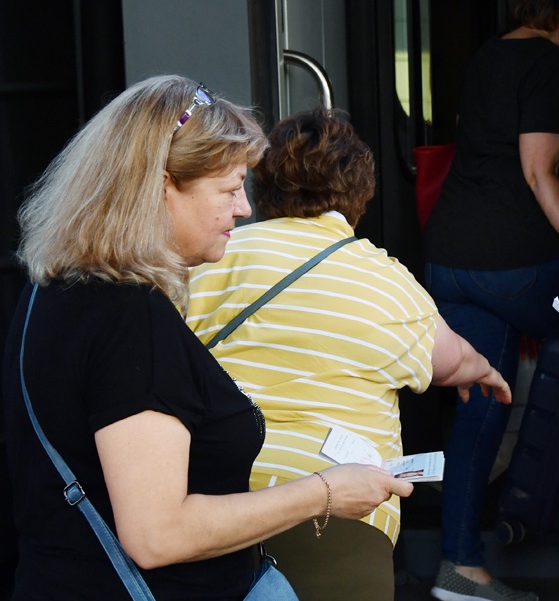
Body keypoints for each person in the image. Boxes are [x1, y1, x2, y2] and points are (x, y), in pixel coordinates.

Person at [0, 76, 414, 600]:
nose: (244, 208)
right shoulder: (131, 317)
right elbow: (158, 534)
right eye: (229, 188)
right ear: (163, 185)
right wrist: (325, 492)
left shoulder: (54, 287)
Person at [185, 108, 512, 601]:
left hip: (209, 512)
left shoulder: (208, 258)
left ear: (262, 186)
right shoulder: (384, 280)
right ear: (361, 193)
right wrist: (483, 369)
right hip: (335, 524)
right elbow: (450, 361)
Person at [420, 0, 559, 601]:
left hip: (452, 254)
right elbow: (539, 171)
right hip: (518, 258)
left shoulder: (486, 56)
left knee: (481, 404)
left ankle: (460, 566)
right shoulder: (552, 64)